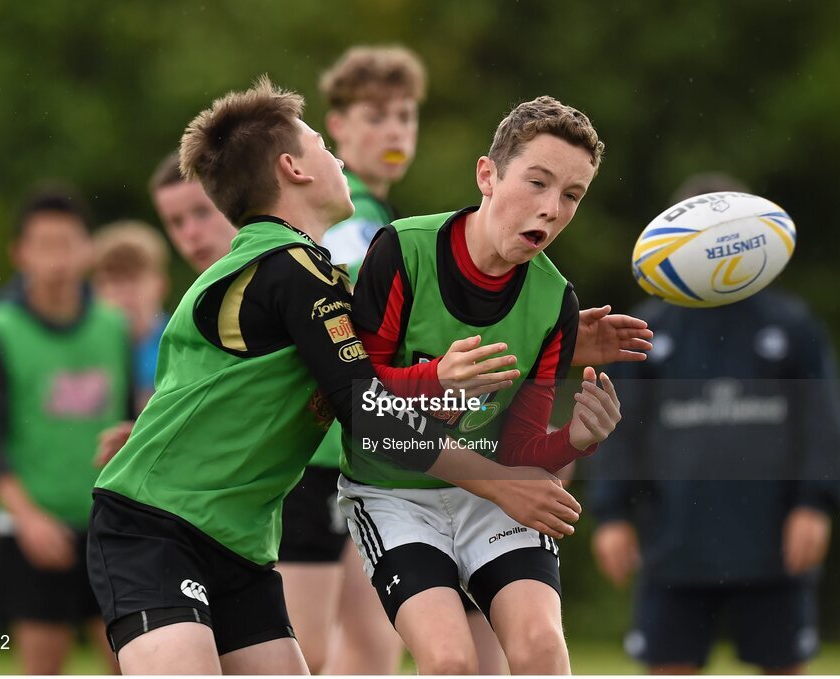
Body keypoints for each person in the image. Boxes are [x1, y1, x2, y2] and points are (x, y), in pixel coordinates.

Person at [85, 76, 587, 675]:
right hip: (154, 528)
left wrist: (571, 341)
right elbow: (370, 408)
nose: (340, 157)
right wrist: (498, 482)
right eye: (325, 144)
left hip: (237, 543)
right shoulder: (287, 270)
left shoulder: (301, 271)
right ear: (293, 167)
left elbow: (337, 366)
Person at [338, 95, 643, 675]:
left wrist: (576, 439)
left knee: (540, 650)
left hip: (490, 490)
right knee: (452, 662)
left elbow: (519, 449)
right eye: (537, 182)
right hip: (395, 494)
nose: (552, 208)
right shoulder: (403, 251)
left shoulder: (555, 300)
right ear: (487, 175)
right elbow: (357, 404)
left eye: (572, 195)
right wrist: (435, 380)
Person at [587, 173, 840, 674]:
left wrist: (814, 504)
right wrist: (612, 515)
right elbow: (617, 429)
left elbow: (822, 422)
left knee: (783, 665)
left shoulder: (791, 326)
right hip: (675, 544)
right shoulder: (646, 331)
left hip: (774, 542)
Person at [277, 44, 432, 675]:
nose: (394, 131)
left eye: (405, 116)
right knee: (301, 654)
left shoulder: (377, 215)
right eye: (375, 117)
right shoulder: (348, 220)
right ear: (336, 126)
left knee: (373, 651)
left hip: (359, 454)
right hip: (313, 457)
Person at [0, 186, 132, 674]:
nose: (58, 258)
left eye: (68, 243)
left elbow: (134, 418)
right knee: (43, 667)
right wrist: (29, 519)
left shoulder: (114, 327)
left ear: (88, 249)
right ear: (20, 253)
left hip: (107, 524)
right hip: (31, 530)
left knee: (132, 661)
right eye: (44, 245)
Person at [94, 154, 239, 466]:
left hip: (328, 477)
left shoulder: (284, 278)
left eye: (202, 212)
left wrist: (370, 469)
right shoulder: (201, 313)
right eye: (175, 222)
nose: (190, 233)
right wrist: (149, 434)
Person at [92, 220, 171, 414]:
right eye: (113, 281)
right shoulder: (82, 349)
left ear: (161, 284)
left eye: (134, 279)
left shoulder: (181, 344)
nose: (124, 294)